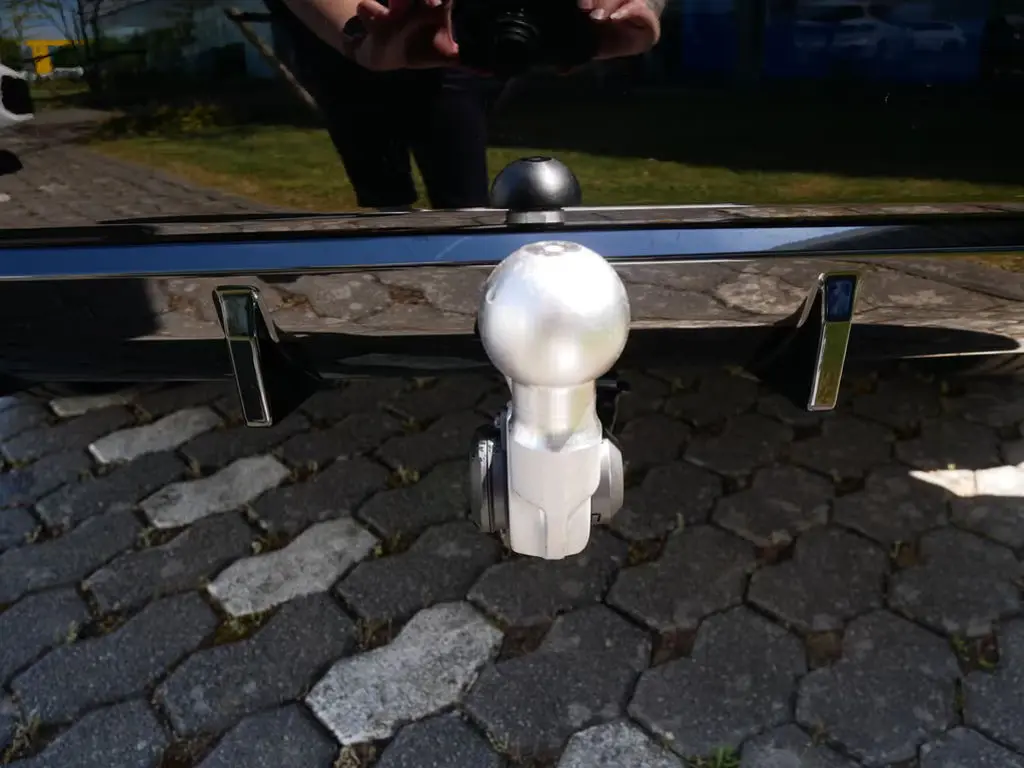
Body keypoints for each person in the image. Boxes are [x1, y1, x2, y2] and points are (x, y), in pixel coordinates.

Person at [269, 0, 666, 211]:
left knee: (461, 199)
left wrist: (640, 4)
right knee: (382, 189)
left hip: (448, 41)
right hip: (343, 46)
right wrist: (355, 35)